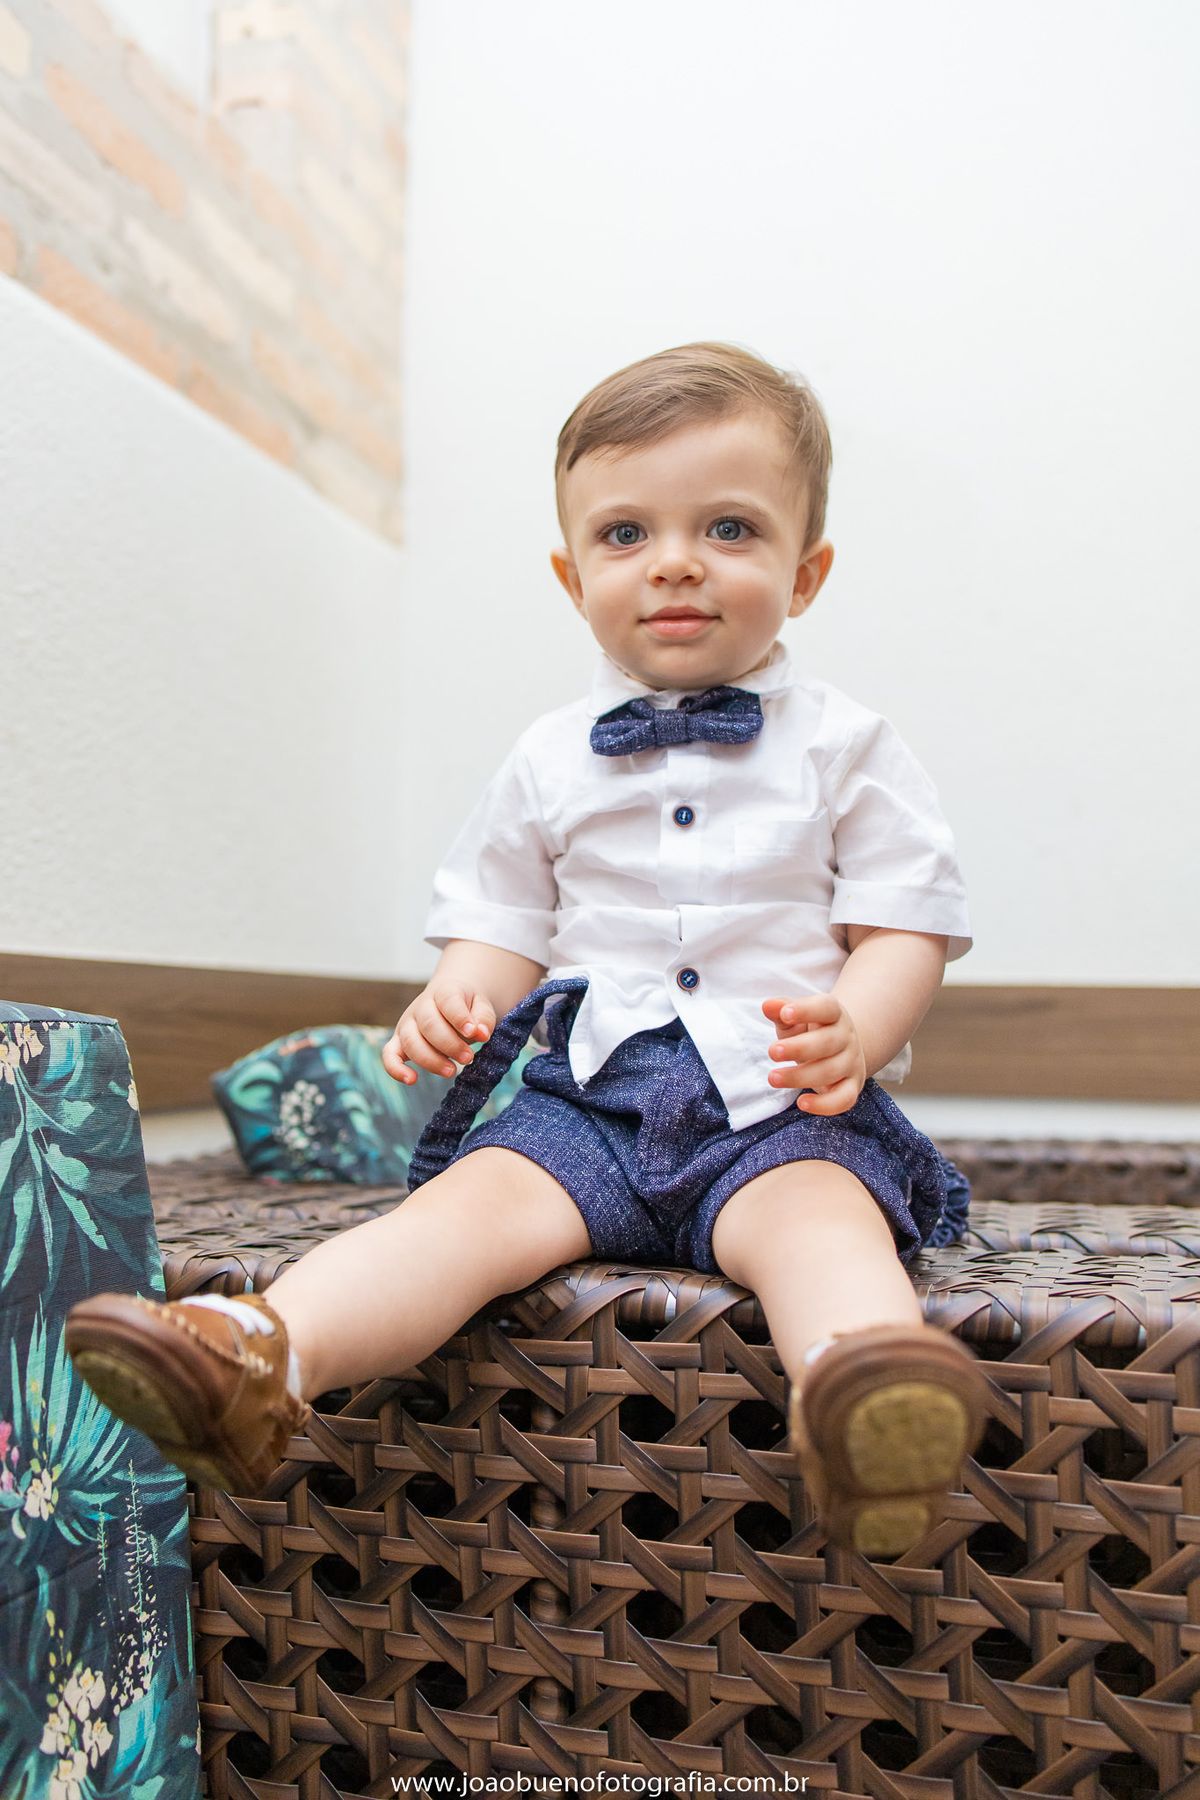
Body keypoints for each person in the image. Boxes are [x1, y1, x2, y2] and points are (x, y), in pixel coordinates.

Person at [67, 344, 987, 1558]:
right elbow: (500, 921)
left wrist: (861, 1023)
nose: (673, 561)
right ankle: (260, 1359)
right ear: (571, 576)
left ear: (805, 573)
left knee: (825, 1231)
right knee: (452, 1224)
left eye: (728, 527)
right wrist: (455, 998)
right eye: (624, 534)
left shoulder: (847, 746)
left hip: (779, 1106)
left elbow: (903, 922)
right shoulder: (552, 757)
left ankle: (866, 1413)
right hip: (585, 1103)